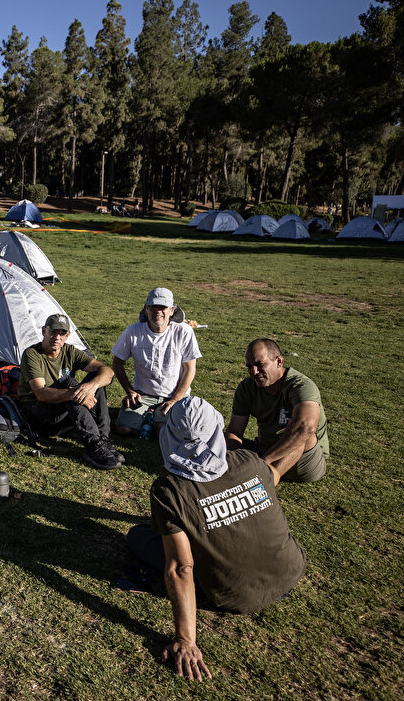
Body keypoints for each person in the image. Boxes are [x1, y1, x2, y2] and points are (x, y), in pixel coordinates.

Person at [125, 396, 306, 680]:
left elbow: (181, 568)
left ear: (170, 435)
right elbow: (271, 477)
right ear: (216, 430)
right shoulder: (248, 460)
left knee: (138, 536)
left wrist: (186, 640)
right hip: (290, 572)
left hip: (235, 596)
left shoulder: (169, 490)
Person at [18, 314, 124, 470]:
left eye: (62, 333)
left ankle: (102, 440)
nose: (57, 337)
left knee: (96, 377)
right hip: (39, 416)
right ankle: (92, 444)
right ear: (43, 331)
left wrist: (91, 387)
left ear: (67, 335)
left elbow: (107, 371)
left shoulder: (70, 351)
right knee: (71, 384)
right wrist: (75, 393)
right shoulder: (32, 354)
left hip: (64, 410)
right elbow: (40, 393)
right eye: (53, 332)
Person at [225, 338, 329, 483]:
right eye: (249, 366)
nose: (254, 372)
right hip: (266, 450)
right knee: (218, 438)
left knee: (301, 432)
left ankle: (268, 480)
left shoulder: (300, 386)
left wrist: (264, 461)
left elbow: (306, 428)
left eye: (260, 365)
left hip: (305, 461)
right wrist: (231, 455)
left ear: (279, 362)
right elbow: (235, 431)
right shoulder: (247, 388)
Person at [111, 288, 202, 437]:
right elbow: (117, 362)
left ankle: (154, 419)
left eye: (163, 308)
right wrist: (130, 391)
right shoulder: (133, 331)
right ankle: (149, 417)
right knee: (124, 429)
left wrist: (174, 400)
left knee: (164, 430)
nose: (158, 312)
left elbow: (189, 369)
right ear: (146, 309)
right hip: (143, 394)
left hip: (174, 395)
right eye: (153, 307)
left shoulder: (184, 331)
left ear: (172, 311)